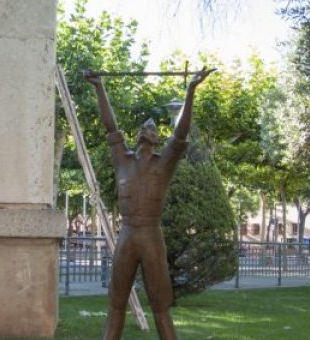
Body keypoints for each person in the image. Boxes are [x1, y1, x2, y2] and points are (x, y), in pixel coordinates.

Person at [85, 67, 214, 340]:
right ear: (138, 136)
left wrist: (190, 90)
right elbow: (110, 126)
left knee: (160, 305)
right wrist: (99, 87)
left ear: (156, 139)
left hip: (151, 236)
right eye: (145, 125)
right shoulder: (123, 160)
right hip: (128, 235)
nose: (148, 126)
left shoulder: (164, 163)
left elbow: (180, 133)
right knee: (116, 303)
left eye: (153, 127)